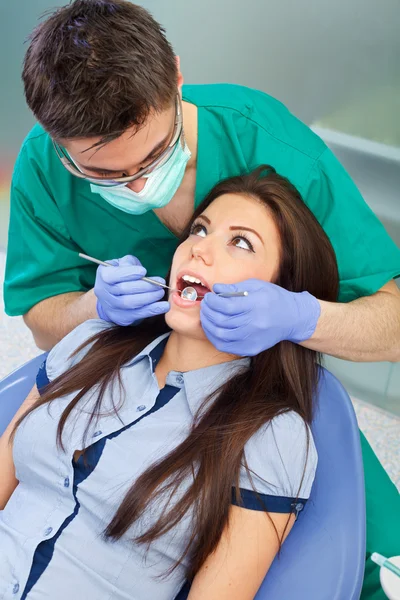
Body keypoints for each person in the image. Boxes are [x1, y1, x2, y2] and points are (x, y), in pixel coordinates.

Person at [2, 1, 399, 597]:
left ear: (177, 77)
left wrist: (303, 316)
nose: (137, 188)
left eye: (154, 157)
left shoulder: (270, 146)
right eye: (106, 176)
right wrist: (92, 309)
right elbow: (41, 315)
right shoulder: (81, 341)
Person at [0, 167, 337, 599]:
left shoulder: (271, 437)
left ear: (281, 292)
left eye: (240, 242)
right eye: (200, 229)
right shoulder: (89, 343)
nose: (200, 250)